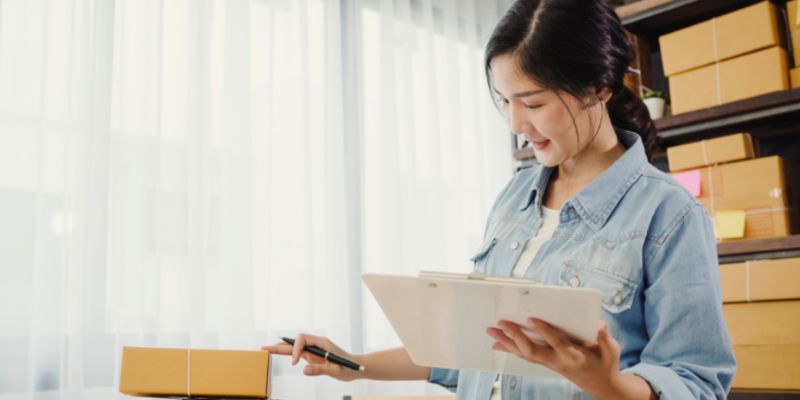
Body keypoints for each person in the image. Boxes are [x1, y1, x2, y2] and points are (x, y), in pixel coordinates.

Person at [262, 0, 737, 398]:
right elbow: (471, 354)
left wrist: (608, 384)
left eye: (533, 104)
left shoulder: (670, 215)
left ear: (598, 88)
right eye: (504, 101)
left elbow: (698, 381)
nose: (515, 125)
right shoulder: (514, 197)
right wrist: (355, 363)